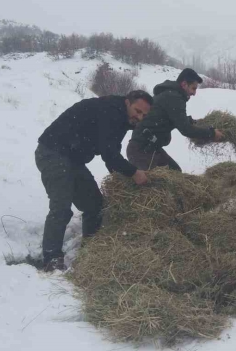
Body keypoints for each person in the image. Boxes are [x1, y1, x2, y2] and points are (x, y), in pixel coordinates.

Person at [35, 90, 153, 272]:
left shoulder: (122, 119)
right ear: (127, 102)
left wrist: (120, 179)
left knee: (95, 205)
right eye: (138, 111)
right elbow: (109, 153)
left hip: (73, 159)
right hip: (53, 152)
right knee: (61, 206)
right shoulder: (111, 111)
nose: (140, 117)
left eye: (144, 115)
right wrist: (133, 173)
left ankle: (91, 250)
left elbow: (112, 152)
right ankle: (52, 260)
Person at [127, 68, 223, 171]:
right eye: (193, 88)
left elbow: (173, 118)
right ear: (184, 84)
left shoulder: (171, 94)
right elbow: (186, 130)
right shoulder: (174, 97)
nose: (194, 93)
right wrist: (212, 134)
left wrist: (194, 122)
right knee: (158, 184)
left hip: (151, 148)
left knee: (175, 172)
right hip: (141, 150)